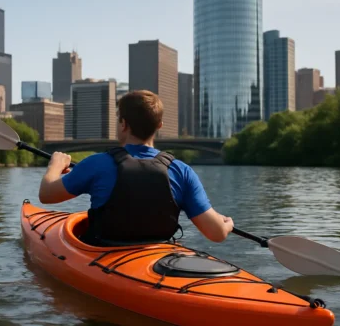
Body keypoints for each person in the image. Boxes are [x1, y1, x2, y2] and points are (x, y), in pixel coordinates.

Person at [38, 90, 234, 246]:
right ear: (159, 125)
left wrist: (55, 166)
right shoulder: (181, 171)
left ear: (123, 124)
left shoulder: (96, 164)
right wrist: (227, 224)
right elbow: (216, 234)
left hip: (105, 251)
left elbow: (46, 195)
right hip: (159, 254)